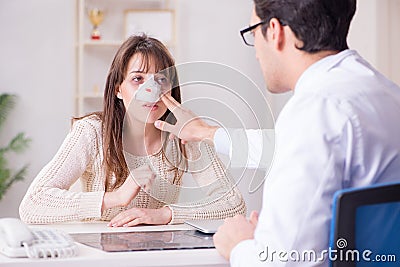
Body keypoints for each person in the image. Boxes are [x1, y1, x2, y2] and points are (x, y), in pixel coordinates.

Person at [154, 0, 400, 265]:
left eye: (253, 33)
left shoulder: (315, 111)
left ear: (274, 31)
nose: (257, 53)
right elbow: (283, 147)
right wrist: (207, 132)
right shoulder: (385, 93)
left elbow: (285, 261)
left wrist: (240, 244)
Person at [19, 34, 246, 226]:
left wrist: (165, 215)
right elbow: (32, 204)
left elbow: (234, 205)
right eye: (138, 79)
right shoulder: (91, 132)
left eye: (161, 79)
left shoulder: (183, 135)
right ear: (118, 89)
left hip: (159, 252)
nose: (152, 90)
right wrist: (115, 197)